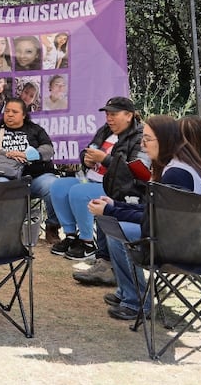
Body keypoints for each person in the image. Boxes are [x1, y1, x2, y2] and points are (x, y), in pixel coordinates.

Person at [88, 115, 201, 320]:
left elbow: (153, 219)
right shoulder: (181, 164)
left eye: (147, 139)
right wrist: (115, 205)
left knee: (117, 231)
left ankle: (136, 302)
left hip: (194, 249)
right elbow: (153, 212)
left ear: (165, 140)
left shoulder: (177, 173)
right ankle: (128, 293)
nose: (142, 144)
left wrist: (110, 211)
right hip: (200, 240)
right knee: (117, 225)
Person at [50, 96, 148, 284]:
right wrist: (85, 159)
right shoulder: (105, 130)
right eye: (107, 115)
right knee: (58, 186)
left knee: (79, 192)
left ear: (129, 116)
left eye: (114, 115)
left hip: (118, 187)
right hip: (91, 178)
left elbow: (135, 171)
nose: (109, 119)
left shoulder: (139, 137)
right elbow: (89, 149)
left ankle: (87, 243)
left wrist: (105, 160)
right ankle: (71, 236)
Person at [0, 97, 60, 242]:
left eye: (14, 112)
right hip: (6, 177)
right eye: (7, 111)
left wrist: (27, 155)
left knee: (53, 186)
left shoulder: (35, 130)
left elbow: (48, 150)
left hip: (35, 179)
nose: (9, 114)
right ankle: (7, 232)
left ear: (24, 115)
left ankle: (52, 227)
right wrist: (5, 153)